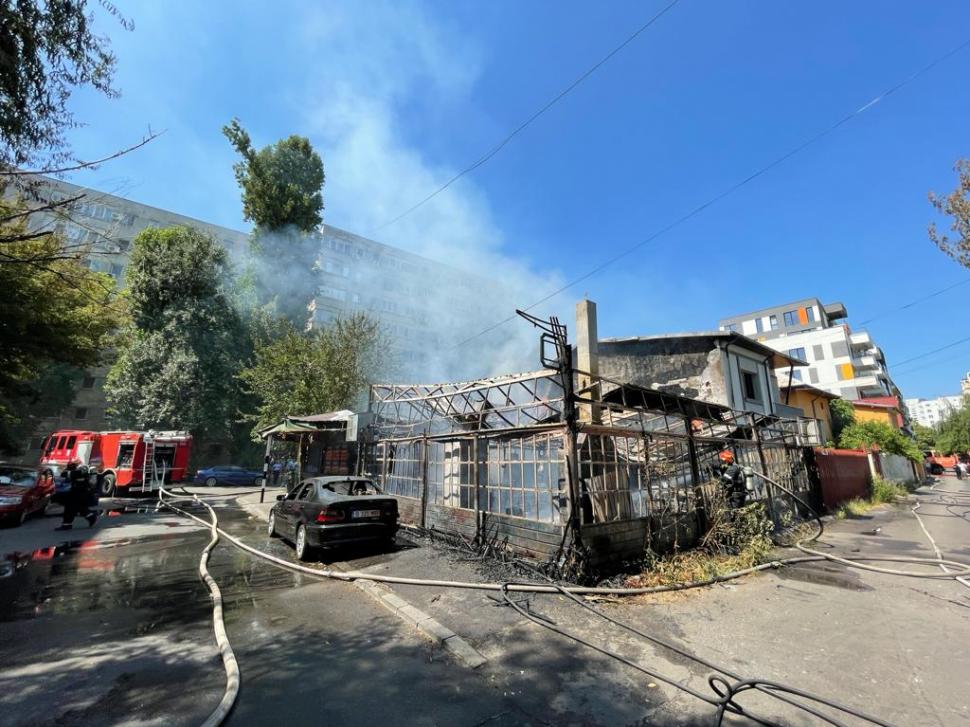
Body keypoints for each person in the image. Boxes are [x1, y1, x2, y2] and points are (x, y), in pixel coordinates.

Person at [55, 459, 97, 531]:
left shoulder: (80, 470)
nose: (70, 466)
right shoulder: (81, 470)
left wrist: (66, 472)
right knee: (79, 508)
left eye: (71, 465)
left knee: (70, 508)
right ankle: (91, 517)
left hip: (78, 493)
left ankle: (67, 525)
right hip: (80, 492)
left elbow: (66, 474)